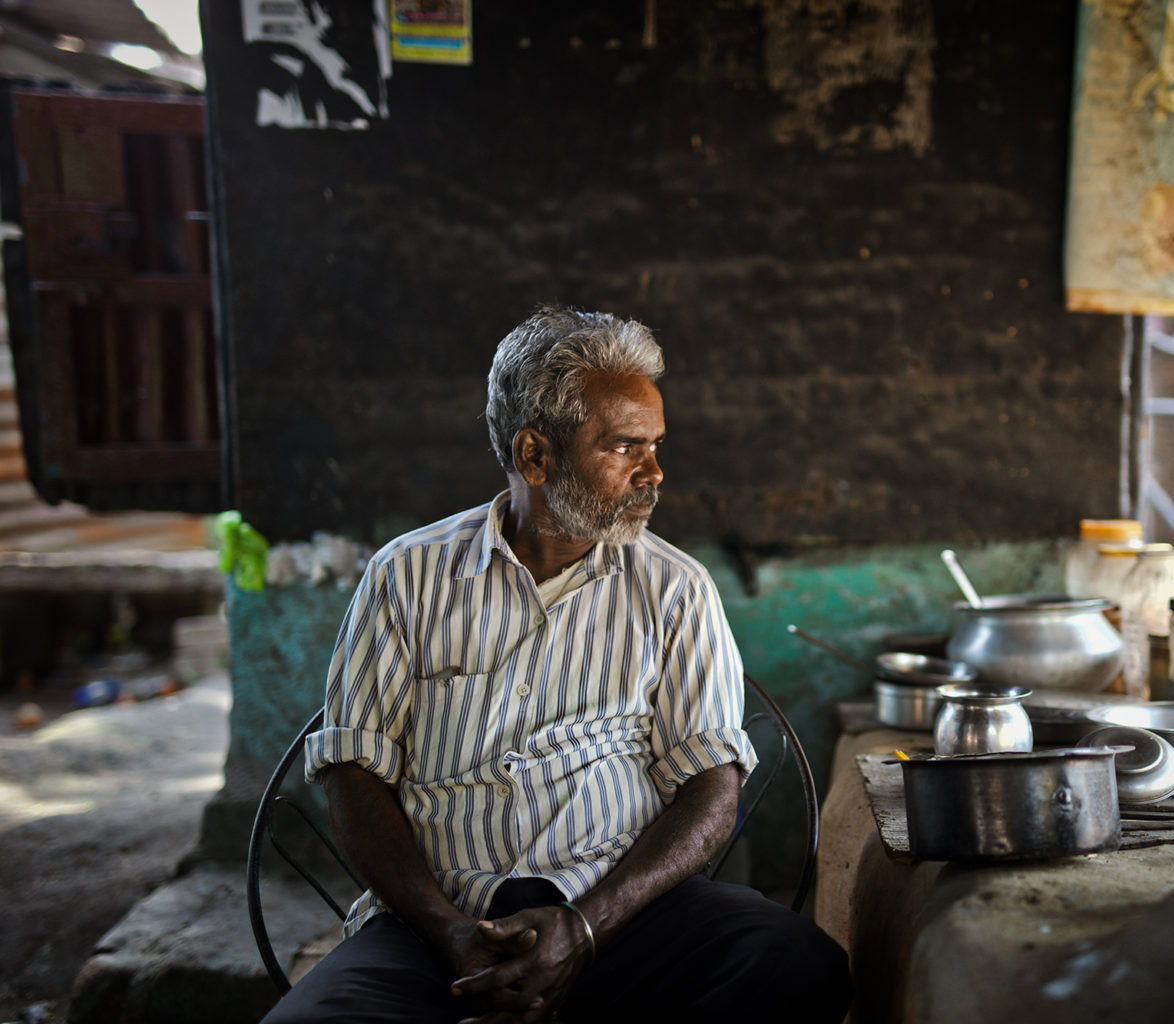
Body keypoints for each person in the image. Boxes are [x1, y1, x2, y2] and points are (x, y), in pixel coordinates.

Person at [262, 307, 851, 1024]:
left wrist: (587, 927)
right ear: (535, 456)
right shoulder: (406, 577)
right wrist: (450, 933)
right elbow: (354, 776)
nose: (654, 473)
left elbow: (710, 789)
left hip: (624, 916)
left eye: (656, 446)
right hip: (442, 925)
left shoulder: (675, 588)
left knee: (797, 967)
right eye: (625, 448)